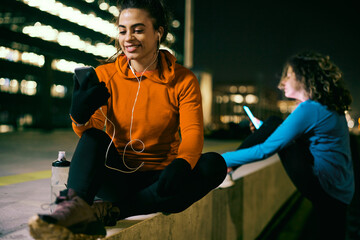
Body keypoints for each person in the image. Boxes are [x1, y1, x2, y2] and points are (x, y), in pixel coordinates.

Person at [28, 0, 227, 239]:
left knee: (214, 164)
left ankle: (112, 211)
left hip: (160, 178)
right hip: (115, 174)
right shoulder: (105, 74)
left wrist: (183, 164)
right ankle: (75, 208)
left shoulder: (183, 80)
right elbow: (89, 136)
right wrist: (79, 118)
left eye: (138, 30)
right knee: (93, 136)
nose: (128, 38)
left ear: (158, 33)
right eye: (123, 30)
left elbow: (193, 133)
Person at [222, 51, 354, 240]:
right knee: (273, 124)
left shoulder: (310, 109)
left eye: (289, 75)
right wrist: (265, 129)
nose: (282, 82)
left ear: (304, 78)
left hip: (326, 188)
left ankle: (225, 169)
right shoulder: (327, 105)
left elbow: (265, 150)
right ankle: (229, 167)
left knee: (274, 124)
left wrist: (222, 158)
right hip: (340, 189)